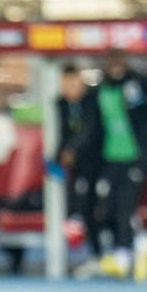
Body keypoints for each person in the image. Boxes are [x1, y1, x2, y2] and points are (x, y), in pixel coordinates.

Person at [70, 48, 147, 281]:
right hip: (111, 158)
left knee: (124, 205)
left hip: (137, 157)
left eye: (119, 60)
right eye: (111, 61)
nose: (115, 65)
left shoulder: (136, 84)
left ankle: (124, 254)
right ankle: (133, 246)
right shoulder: (98, 92)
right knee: (105, 205)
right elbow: (90, 128)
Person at [56, 62, 101, 261]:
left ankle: (98, 253)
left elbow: (90, 131)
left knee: (93, 206)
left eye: (74, 84)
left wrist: (72, 149)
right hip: (71, 170)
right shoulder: (60, 105)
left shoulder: (92, 102)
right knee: (69, 201)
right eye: (66, 84)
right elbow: (58, 135)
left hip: (96, 164)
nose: (70, 89)